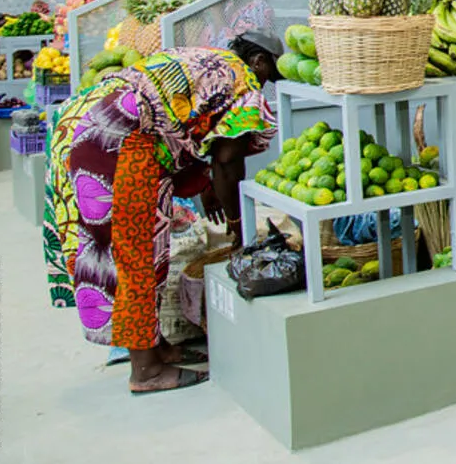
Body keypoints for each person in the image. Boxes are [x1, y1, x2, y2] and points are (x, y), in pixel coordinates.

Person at [42, 34, 281, 394]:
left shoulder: (209, 59)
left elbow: (181, 122)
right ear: (260, 61)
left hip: (86, 123)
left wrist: (203, 184)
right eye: (268, 77)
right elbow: (227, 161)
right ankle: (146, 370)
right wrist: (237, 226)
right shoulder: (244, 82)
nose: (264, 88)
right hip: (116, 138)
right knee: (134, 253)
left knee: (149, 249)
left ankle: (156, 347)